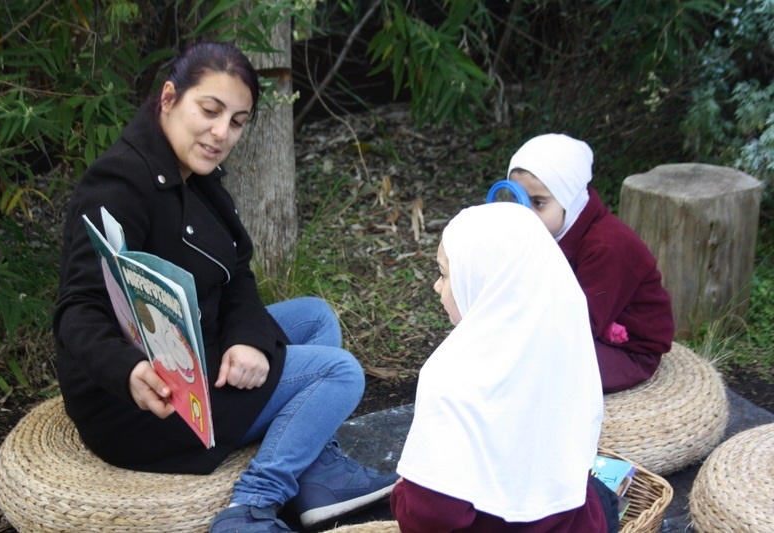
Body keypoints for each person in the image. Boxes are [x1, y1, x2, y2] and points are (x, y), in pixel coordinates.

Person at [53, 41, 397, 533]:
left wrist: (248, 339)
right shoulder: (117, 185)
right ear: (169, 98)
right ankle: (253, 505)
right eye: (210, 111)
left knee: (316, 316)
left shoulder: (197, 173)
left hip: (203, 346)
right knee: (339, 374)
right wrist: (127, 370)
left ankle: (318, 473)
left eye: (237, 121)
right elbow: (77, 308)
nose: (222, 133)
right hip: (145, 399)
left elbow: (236, 274)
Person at [390, 203, 618, 533]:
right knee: (600, 497)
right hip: (571, 523)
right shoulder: (565, 349)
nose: (437, 286)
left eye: (444, 274)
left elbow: (434, 513)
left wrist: (402, 494)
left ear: (484, 281)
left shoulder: (451, 378)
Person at [507, 133, 674, 393]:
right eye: (518, 199)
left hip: (627, 348)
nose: (526, 213)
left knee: (535, 369)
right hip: (580, 324)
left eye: (539, 203)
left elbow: (579, 324)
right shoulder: (547, 229)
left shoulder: (607, 246)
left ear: (570, 199)